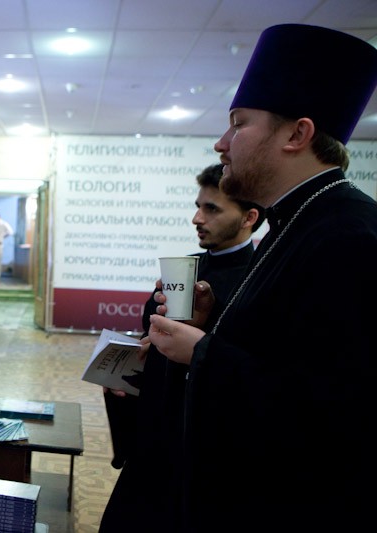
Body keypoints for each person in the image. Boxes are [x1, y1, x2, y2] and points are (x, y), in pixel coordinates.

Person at [144, 24, 377, 532]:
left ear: (297, 135)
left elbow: (336, 410)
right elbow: (282, 349)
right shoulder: (300, 220)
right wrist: (212, 325)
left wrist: (202, 353)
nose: (221, 143)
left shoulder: (350, 236)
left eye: (238, 125)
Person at [100, 163, 264, 531]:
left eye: (212, 209)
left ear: (249, 218)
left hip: (203, 449)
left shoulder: (256, 281)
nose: (197, 218)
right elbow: (151, 336)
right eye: (198, 206)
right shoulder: (185, 267)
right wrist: (126, 372)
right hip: (152, 439)